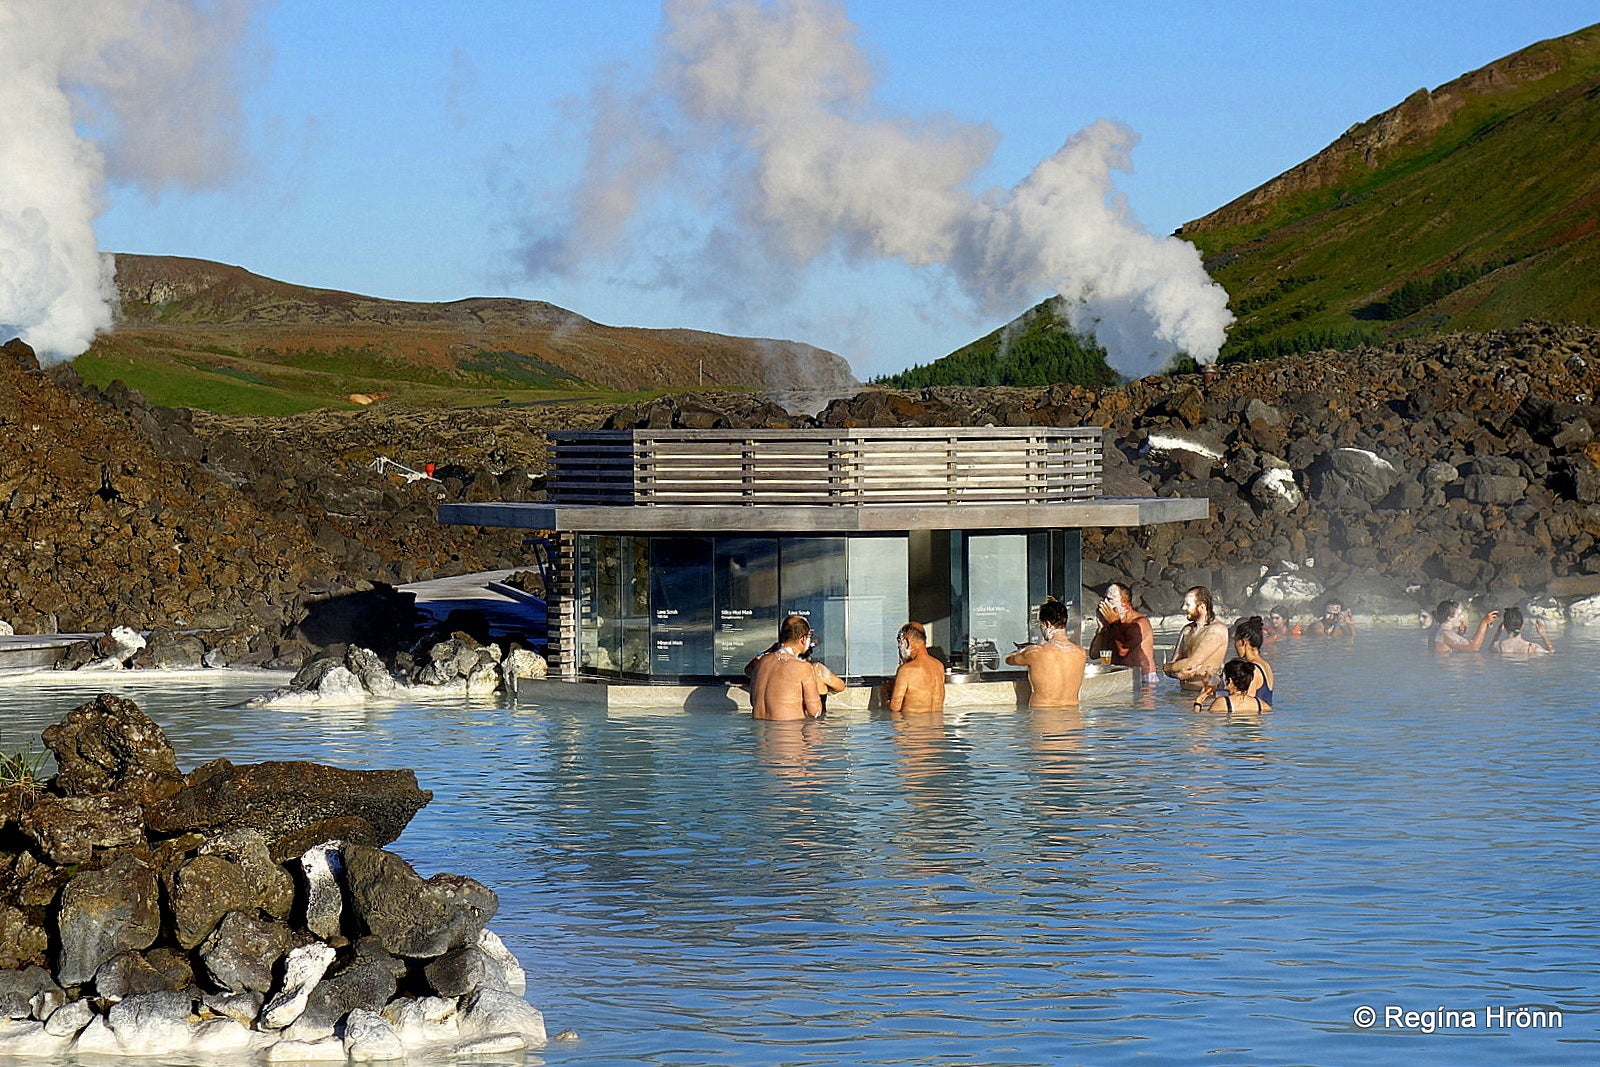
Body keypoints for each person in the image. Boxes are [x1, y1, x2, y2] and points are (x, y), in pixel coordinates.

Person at [1005, 599, 1086, 709]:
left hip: (1043, 718)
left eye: (1041, 625)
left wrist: (1024, 649)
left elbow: (1009, 659)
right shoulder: (1080, 653)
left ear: (1047, 624)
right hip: (1073, 718)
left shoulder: (1035, 652)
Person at [747, 614, 823, 720]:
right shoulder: (803, 668)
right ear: (803, 639)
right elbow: (814, 711)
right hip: (788, 732)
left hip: (758, 733)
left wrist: (770, 650)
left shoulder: (761, 663)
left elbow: (748, 670)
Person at [1089, 581, 1158, 686]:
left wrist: (1114, 623)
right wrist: (1102, 628)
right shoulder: (1110, 624)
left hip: (1143, 680)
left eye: (1110, 600)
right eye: (1104, 598)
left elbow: (1123, 651)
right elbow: (1094, 654)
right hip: (1119, 678)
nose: (1104, 603)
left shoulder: (1139, 623)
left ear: (1124, 602)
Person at [1162, 586, 1229, 691]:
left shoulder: (1217, 630)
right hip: (1184, 694)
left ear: (1202, 607)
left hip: (1206, 697)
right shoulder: (1187, 630)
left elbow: (1192, 663)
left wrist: (1167, 667)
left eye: (1188, 605)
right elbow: (1173, 664)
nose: (1183, 608)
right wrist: (1175, 673)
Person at [886, 621, 945, 713]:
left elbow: (895, 707)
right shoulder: (939, 665)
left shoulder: (906, 670)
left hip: (914, 725)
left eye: (900, 646)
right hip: (937, 725)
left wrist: (887, 695)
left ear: (907, 642)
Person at [1197, 658, 1270, 715]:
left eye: (1223, 676)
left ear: (1230, 681)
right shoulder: (1261, 705)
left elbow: (1198, 724)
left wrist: (1198, 702)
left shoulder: (1222, 703)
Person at [1231, 616, 1275, 706]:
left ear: (1243, 642)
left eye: (1235, 641)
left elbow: (1246, 702)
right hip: (1264, 718)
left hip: (1253, 718)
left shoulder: (1253, 668)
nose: (1234, 646)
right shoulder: (1266, 665)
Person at [1428, 600, 1498, 654]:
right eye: (1459, 615)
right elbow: (1474, 647)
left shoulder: (1435, 629)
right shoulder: (1446, 634)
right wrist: (1484, 623)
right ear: (1449, 618)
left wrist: (1459, 634)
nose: (1462, 617)